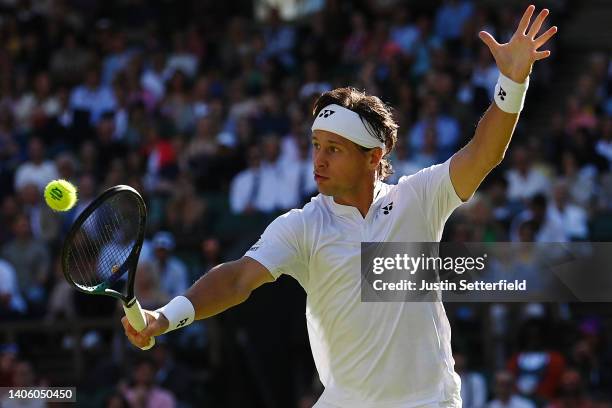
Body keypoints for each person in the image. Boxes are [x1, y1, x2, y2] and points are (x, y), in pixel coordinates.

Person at [123, 7, 557, 407]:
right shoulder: (301, 226)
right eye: (315, 146)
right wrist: (165, 317)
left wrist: (512, 83)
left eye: (334, 149)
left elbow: (483, 154)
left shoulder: (418, 198)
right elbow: (237, 278)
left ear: (373, 157)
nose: (319, 160)